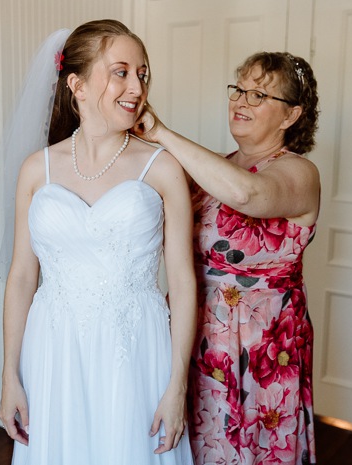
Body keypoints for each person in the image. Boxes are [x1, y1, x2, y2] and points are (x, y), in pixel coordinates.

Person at [0, 20, 196, 465]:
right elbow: (22, 276)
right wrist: (10, 373)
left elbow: (182, 283)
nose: (136, 86)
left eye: (142, 73)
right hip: (53, 350)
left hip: (136, 351)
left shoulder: (162, 169)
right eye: (120, 71)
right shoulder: (36, 169)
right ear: (77, 85)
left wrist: (176, 385)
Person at [133, 51, 320, 464]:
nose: (240, 102)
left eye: (258, 95)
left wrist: (162, 132)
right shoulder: (214, 167)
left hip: (263, 346)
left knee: (255, 448)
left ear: (291, 116)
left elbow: (246, 194)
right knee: (196, 443)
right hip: (195, 332)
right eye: (239, 90)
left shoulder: (299, 173)